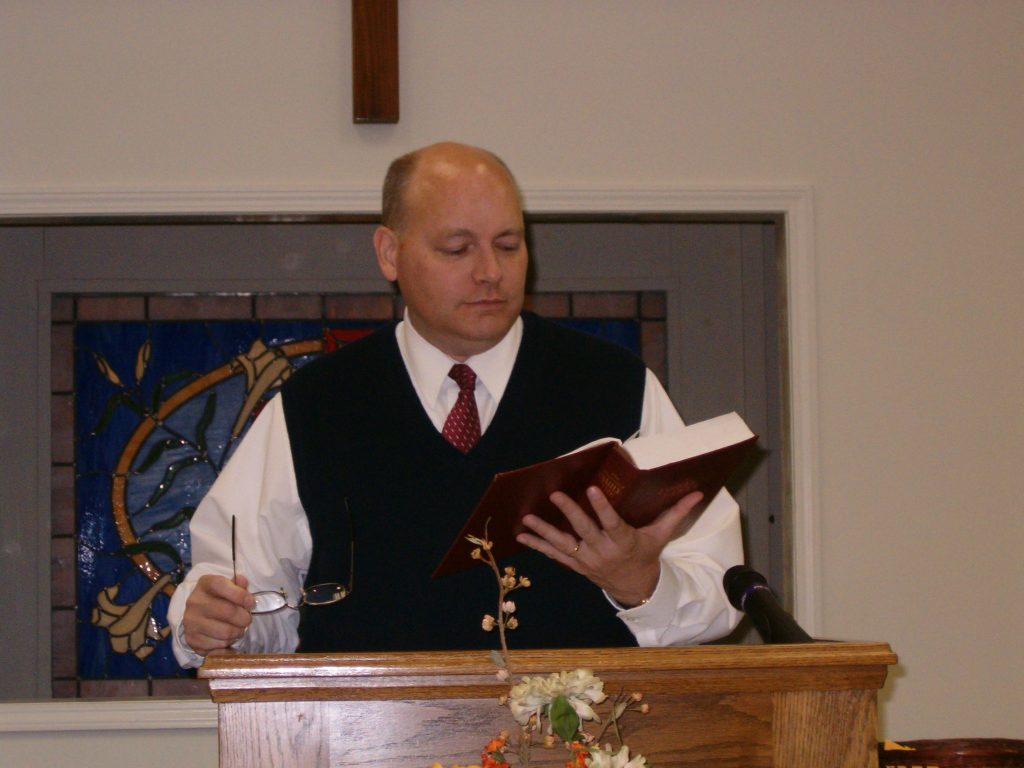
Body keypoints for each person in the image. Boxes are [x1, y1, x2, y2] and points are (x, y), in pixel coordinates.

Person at [167, 141, 743, 667]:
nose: (491, 272)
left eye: (509, 245)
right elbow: (250, 598)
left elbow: (722, 588)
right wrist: (216, 622)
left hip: (578, 735)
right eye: (457, 248)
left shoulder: (616, 387)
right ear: (389, 253)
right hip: (367, 735)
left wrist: (642, 585)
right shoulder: (314, 406)